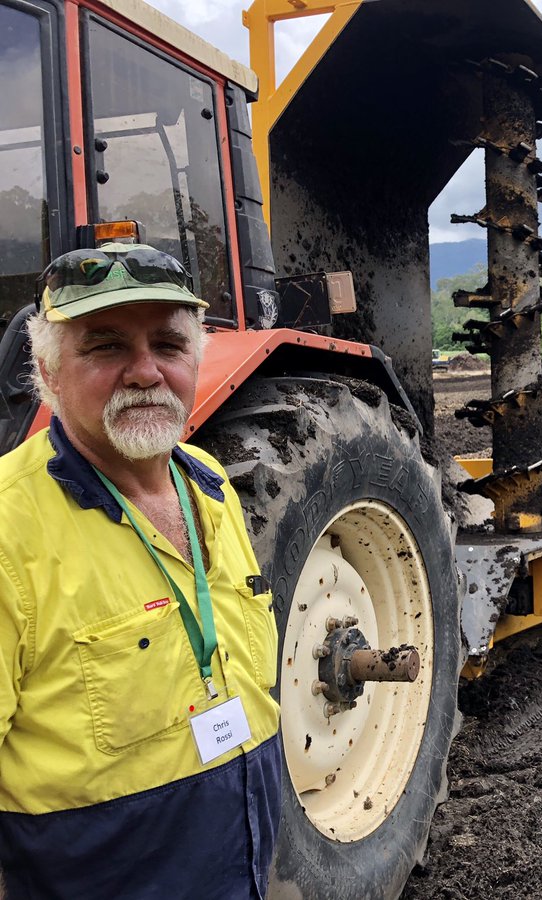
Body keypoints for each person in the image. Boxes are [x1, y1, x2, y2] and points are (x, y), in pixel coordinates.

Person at [0, 244, 281, 898]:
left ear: (196, 358)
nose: (146, 372)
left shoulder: (210, 484)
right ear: (47, 371)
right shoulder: (11, 528)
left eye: (169, 344)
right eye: (106, 346)